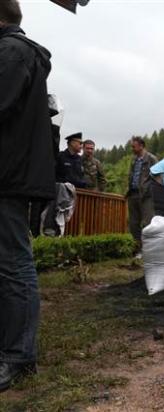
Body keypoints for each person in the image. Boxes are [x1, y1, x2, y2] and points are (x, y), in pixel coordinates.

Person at [0, 0, 54, 392]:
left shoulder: (12, 51)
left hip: (7, 176)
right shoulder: (16, 52)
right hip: (10, 174)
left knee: (13, 264)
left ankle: (18, 356)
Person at [127, 137, 158, 256]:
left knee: (148, 223)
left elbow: (158, 177)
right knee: (133, 224)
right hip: (133, 194)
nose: (132, 148)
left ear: (141, 146)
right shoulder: (134, 160)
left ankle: (150, 250)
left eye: (133, 146)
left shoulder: (151, 159)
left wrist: (149, 190)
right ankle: (137, 250)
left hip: (146, 196)